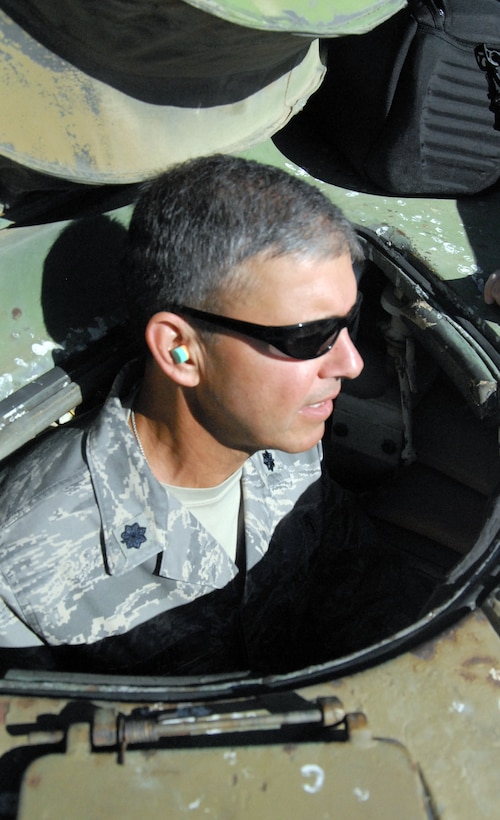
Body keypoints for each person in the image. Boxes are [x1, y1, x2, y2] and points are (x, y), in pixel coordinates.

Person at [0, 154, 429, 676]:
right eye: (307, 338)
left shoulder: (285, 436)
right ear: (180, 350)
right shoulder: (25, 569)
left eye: (349, 322)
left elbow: (358, 580)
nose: (351, 363)